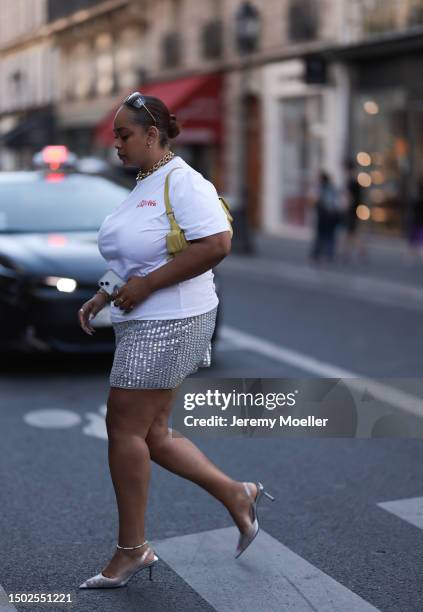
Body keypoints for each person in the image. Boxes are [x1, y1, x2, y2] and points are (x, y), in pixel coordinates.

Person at [77, 92, 274, 589]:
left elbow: (217, 245)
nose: (117, 145)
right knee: (153, 435)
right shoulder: (146, 183)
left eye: (124, 136)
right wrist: (105, 293)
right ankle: (237, 494)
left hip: (171, 320)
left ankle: (131, 550)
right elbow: (134, 255)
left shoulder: (185, 182)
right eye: (115, 135)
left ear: (152, 135)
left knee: (123, 427)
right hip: (145, 319)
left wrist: (145, 287)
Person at [309, 171, 341, 263]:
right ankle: (328, 255)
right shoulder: (332, 188)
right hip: (332, 216)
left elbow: (315, 200)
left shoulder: (321, 188)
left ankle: (317, 255)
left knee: (321, 236)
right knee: (330, 236)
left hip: (324, 215)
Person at [340, 160, 367, 263]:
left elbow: (349, 198)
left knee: (351, 233)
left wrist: (345, 207)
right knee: (350, 233)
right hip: (356, 210)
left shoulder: (351, 182)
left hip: (351, 211)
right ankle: (346, 252)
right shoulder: (357, 181)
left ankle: (356, 252)